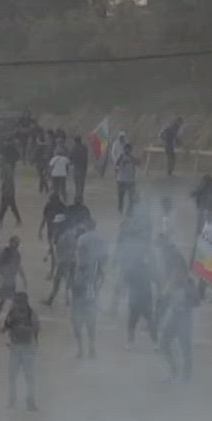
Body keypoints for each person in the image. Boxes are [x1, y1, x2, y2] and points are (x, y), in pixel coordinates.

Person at [71, 222, 107, 358]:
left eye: (82, 253)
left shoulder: (92, 265)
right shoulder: (77, 265)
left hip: (87, 297)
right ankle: (82, 349)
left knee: (89, 323)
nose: (81, 255)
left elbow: (102, 277)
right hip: (80, 296)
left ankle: (89, 348)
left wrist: (95, 288)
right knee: (78, 324)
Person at [0, 291, 40, 410]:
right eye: (15, 301)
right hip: (15, 349)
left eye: (18, 301)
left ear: (25, 302)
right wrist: (5, 328)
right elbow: (6, 326)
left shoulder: (31, 313)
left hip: (28, 348)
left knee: (29, 377)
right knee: (12, 377)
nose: (16, 304)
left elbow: (36, 328)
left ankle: (30, 401)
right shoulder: (12, 312)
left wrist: (24, 329)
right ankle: (12, 401)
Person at [158, 278, 200, 384]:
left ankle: (186, 377)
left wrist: (187, 289)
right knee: (163, 344)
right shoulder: (172, 282)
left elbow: (197, 302)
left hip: (185, 319)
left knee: (186, 349)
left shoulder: (189, 283)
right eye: (175, 271)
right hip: (173, 318)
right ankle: (173, 370)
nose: (176, 273)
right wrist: (168, 289)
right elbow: (164, 300)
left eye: (179, 271)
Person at [0, 236, 27, 331]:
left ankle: (7, 322)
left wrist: (24, 278)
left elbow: (18, 267)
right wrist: (1, 277)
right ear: (10, 242)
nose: (16, 245)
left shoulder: (17, 254)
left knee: (13, 302)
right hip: (6, 280)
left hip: (12, 280)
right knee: (3, 301)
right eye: (14, 243)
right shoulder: (5, 252)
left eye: (17, 243)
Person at [113, 136, 139, 216]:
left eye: (128, 149)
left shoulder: (132, 157)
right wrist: (118, 168)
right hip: (121, 181)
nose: (126, 151)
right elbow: (116, 166)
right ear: (124, 149)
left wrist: (131, 157)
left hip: (131, 181)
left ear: (131, 150)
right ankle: (120, 212)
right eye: (125, 149)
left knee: (132, 198)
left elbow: (138, 163)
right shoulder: (121, 156)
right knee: (121, 198)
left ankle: (129, 212)